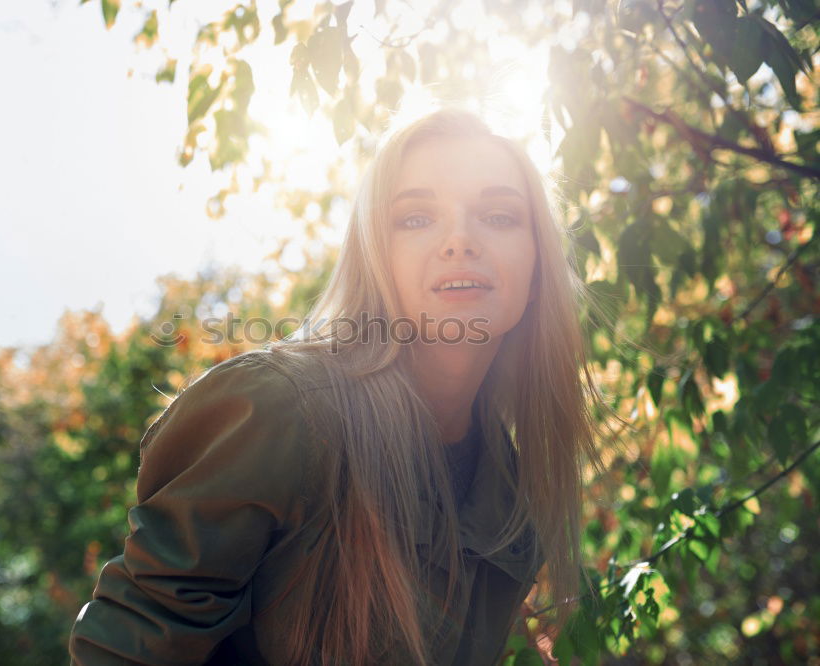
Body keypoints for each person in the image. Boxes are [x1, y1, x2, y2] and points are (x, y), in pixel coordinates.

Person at [68, 107, 609, 665]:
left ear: (539, 262)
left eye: (499, 216)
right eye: (416, 218)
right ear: (375, 255)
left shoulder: (512, 489)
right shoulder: (279, 410)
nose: (459, 241)